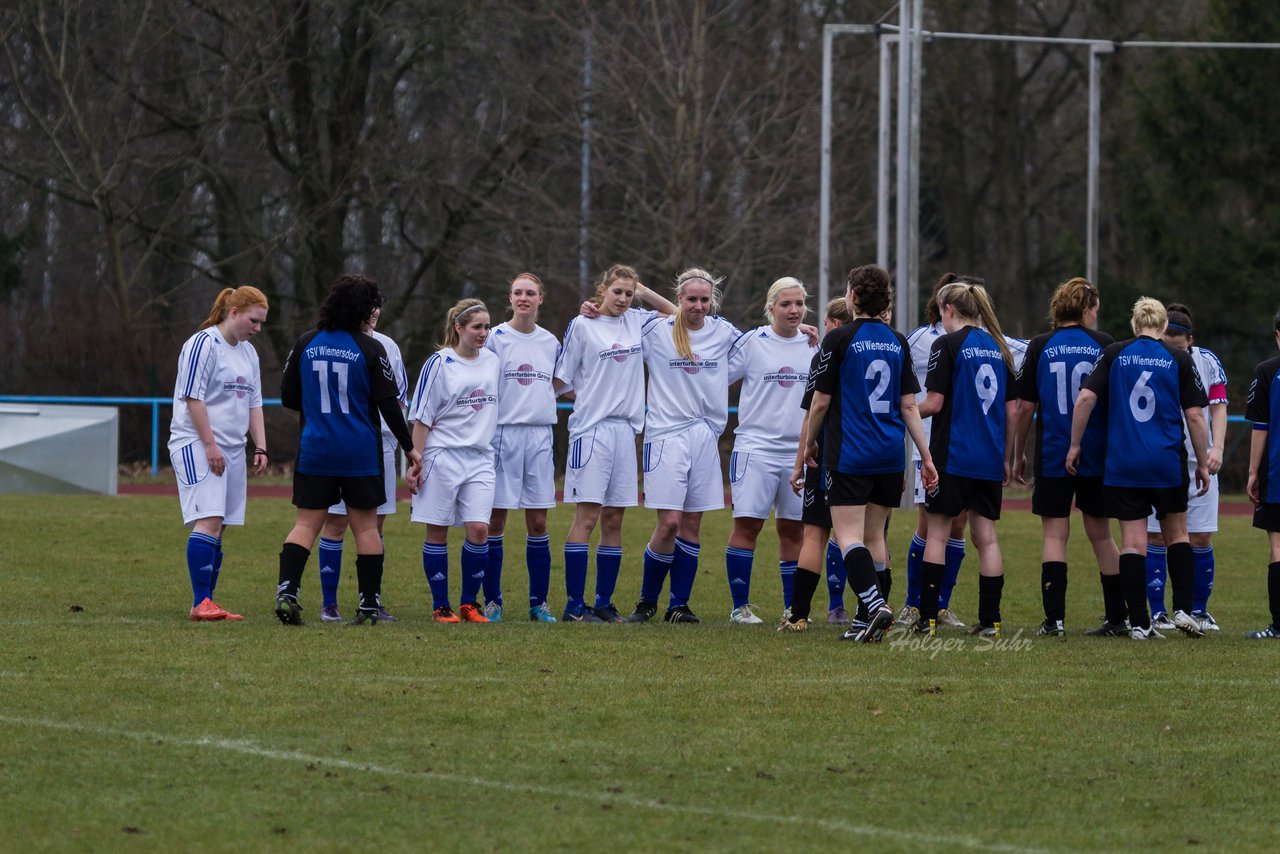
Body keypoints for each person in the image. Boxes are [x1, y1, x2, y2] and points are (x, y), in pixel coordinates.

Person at [785, 265, 937, 641]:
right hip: (889, 456)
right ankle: (863, 624)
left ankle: (874, 605)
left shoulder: (839, 340)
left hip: (850, 453)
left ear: (851, 296)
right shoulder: (897, 341)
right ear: (887, 299)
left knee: (848, 536)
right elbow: (908, 407)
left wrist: (806, 448)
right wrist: (926, 456)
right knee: (876, 539)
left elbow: (819, 404)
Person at [274, 274, 422, 626]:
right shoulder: (372, 348)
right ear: (363, 308)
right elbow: (389, 405)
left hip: (315, 449)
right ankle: (369, 605)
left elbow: (288, 397)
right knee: (367, 529)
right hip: (359, 451)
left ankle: (287, 593)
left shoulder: (306, 342)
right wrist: (410, 447)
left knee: (306, 525)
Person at [1067, 297, 1210, 640]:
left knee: (1133, 543)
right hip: (1165, 461)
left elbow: (1086, 398)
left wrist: (1075, 445)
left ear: (1134, 325)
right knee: (1177, 534)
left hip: (1124, 461)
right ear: (1162, 327)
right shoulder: (1178, 358)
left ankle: (1140, 623)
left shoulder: (1115, 353)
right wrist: (1203, 462)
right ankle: (1184, 611)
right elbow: (1194, 415)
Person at [553, 265, 675, 622]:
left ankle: (604, 603)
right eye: (616, 291)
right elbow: (563, 378)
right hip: (591, 432)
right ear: (602, 289)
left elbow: (676, 313)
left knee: (615, 518)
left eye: (628, 292)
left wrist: (644, 292)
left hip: (626, 432)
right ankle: (575, 606)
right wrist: (593, 397)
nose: (622, 299)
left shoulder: (636, 321)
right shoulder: (583, 324)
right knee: (587, 516)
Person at [628, 267, 743, 624]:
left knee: (692, 524)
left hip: (705, 437)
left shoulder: (723, 333)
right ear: (679, 299)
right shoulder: (655, 330)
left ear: (713, 302)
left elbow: (767, 340)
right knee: (670, 524)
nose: (698, 305)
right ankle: (646, 601)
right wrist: (601, 305)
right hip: (665, 435)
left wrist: (799, 331)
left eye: (704, 299)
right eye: (691, 299)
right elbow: (611, 319)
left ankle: (679, 605)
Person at [1012, 277, 1119, 637]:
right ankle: (1117, 617)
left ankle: (1054, 621)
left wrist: (1017, 454)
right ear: (1088, 309)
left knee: (1055, 536)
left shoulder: (1041, 345)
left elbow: (1025, 407)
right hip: (1096, 453)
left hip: (1054, 452)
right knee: (1101, 535)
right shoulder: (1104, 344)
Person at [916, 282, 1019, 638]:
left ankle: (927, 619)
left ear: (949, 311)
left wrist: (901, 410)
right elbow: (1012, 412)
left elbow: (934, 403)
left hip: (952, 455)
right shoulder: (1000, 349)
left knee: (938, 534)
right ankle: (990, 622)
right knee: (986, 538)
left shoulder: (945, 345)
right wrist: (1005, 457)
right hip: (988, 458)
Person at [168, 285, 269, 621]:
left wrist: (261, 445)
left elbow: (254, 402)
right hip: (196, 442)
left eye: (261, 323)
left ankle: (206, 601)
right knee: (209, 519)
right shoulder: (203, 344)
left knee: (221, 524)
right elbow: (193, 398)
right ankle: (201, 602)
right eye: (253, 321)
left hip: (232, 448)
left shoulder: (249, 354)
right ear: (234, 312)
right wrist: (209, 444)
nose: (257, 329)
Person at [722, 277, 817, 623]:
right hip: (755, 449)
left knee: (793, 530)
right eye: (785, 304)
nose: (793, 310)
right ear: (770, 308)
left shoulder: (813, 346)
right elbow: (714, 373)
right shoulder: (751, 343)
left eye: (798, 304)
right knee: (748, 525)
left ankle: (793, 610)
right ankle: (740, 607)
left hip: (798, 453)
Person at [408, 299, 502, 623]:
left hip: (480, 457)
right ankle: (440, 606)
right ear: (458, 328)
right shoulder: (439, 363)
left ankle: (468, 603)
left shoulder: (492, 361)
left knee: (478, 529)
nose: (483, 333)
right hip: (442, 455)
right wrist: (416, 462)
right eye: (477, 327)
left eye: (487, 327)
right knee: (438, 531)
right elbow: (422, 419)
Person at [315, 305, 408, 623]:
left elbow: (398, 398)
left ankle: (372, 600)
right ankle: (329, 604)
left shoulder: (387, 346)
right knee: (336, 522)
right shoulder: (330, 344)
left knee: (375, 525)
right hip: (341, 443)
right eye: (365, 305)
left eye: (377, 307)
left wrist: (402, 444)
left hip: (379, 445)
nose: (373, 312)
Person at [1143, 303, 1227, 632]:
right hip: (1162, 459)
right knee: (1156, 536)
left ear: (1190, 340)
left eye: (1180, 345)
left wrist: (1216, 448)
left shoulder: (1208, 362)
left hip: (1198, 462)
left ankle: (1199, 611)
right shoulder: (1153, 357)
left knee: (1200, 536)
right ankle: (1158, 611)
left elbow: (1218, 407)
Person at [484, 273, 562, 623]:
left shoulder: (550, 342)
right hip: (503, 435)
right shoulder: (495, 338)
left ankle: (538, 603)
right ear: (510, 297)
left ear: (541, 298)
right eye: (517, 292)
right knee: (495, 518)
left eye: (530, 293)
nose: (523, 298)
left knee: (539, 520)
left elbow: (559, 384)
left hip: (540, 435)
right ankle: (492, 601)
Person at [781, 298, 855, 632]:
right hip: (870, 455)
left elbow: (813, 410)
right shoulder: (885, 346)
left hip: (828, 454)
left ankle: (797, 614)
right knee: (866, 536)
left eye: (826, 322)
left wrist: (801, 460)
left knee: (815, 535)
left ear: (836, 324)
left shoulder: (827, 354)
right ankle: (871, 610)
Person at [1244, 308, 1280, 639]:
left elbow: (1261, 426)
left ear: (1278, 335)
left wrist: (1253, 472)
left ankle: (1278, 625)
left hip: (1277, 476)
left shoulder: (1268, 371)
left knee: (1278, 548)